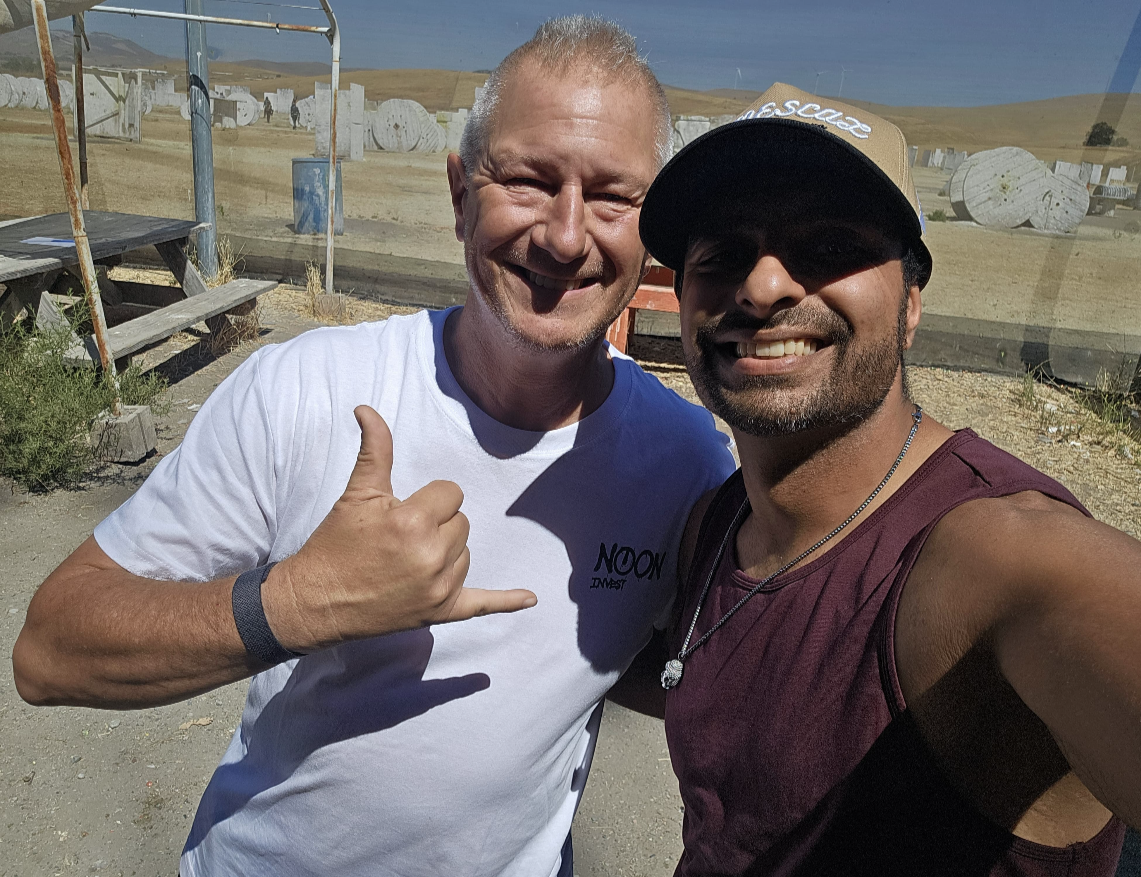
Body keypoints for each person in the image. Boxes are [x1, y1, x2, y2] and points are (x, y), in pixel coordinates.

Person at [12, 18, 734, 877]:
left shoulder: (688, 458)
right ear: (461, 193)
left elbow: (696, 667)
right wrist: (303, 601)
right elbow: (50, 649)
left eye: (613, 196)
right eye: (531, 182)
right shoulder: (306, 390)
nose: (568, 235)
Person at [621, 83, 1141, 875]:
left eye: (828, 247)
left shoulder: (997, 562)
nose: (763, 285)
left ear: (911, 305)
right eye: (723, 254)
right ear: (683, 299)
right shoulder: (718, 527)